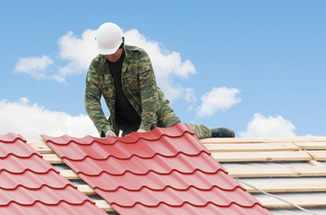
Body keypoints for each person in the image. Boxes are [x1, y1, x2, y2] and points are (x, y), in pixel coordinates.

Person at [85, 22, 235, 139]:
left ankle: (209, 132)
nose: (109, 56)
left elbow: (148, 92)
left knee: (179, 135)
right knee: (134, 150)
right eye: (106, 53)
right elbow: (91, 100)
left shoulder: (139, 57)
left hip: (156, 109)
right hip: (127, 121)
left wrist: (146, 126)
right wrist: (105, 128)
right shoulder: (96, 66)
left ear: (121, 44)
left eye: (112, 52)